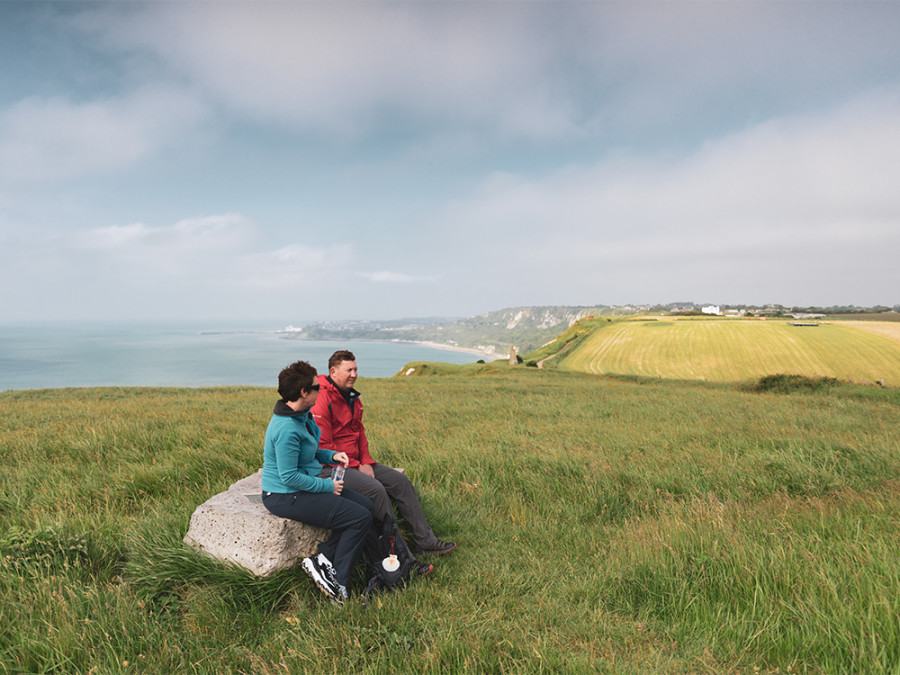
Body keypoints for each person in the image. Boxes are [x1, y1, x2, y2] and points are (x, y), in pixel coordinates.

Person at [311, 350, 456, 557]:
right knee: (376, 489)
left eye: (355, 369)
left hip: (356, 462)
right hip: (332, 466)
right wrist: (354, 464)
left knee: (400, 481)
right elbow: (324, 445)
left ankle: (425, 541)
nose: (354, 374)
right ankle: (400, 556)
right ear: (333, 371)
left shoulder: (352, 397)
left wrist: (366, 461)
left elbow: (359, 432)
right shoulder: (322, 397)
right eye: (349, 370)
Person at [260, 360, 374, 603]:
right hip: (283, 496)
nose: (320, 389)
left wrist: (331, 455)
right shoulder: (286, 428)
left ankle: (323, 560)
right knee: (358, 517)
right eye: (315, 386)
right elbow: (288, 476)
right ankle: (338, 584)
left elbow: (309, 452)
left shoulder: (303, 415)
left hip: (301, 486)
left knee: (367, 507)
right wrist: (327, 486)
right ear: (303, 392)